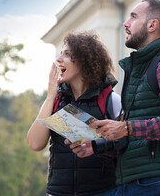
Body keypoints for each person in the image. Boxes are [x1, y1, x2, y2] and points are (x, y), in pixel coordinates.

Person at [69, 0, 160, 196]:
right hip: (130, 183)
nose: (126, 23)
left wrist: (126, 127)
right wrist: (94, 146)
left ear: (152, 25)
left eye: (133, 17)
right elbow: (130, 136)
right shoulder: (137, 70)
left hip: (158, 183)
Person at [27, 31, 122, 196]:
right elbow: (35, 144)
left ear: (85, 61)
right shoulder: (54, 101)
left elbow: (125, 143)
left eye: (67, 54)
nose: (59, 59)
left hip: (103, 191)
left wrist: (97, 143)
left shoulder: (111, 100)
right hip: (59, 192)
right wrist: (50, 96)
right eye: (60, 53)